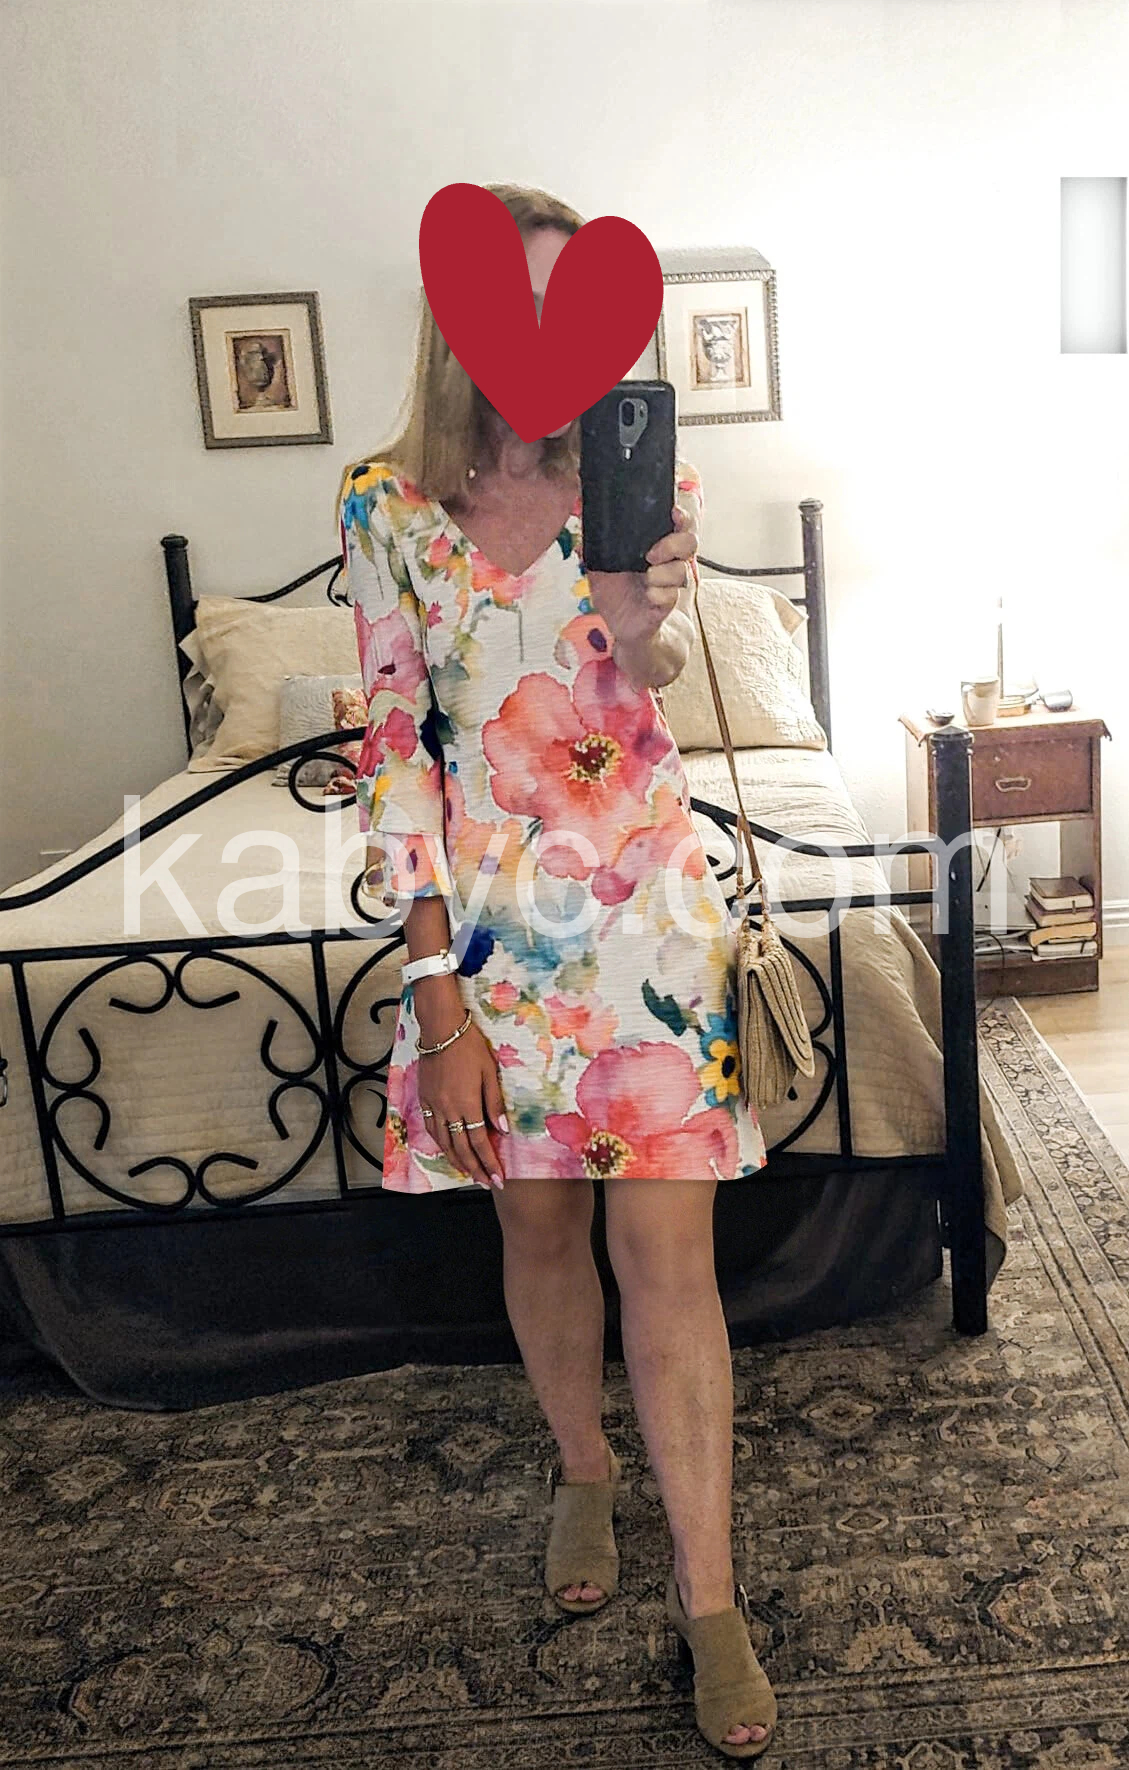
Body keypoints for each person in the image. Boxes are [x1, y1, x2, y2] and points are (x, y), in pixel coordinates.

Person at [335, 182, 777, 1759]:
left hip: (647, 924)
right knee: (536, 1222)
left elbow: (655, 679)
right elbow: (394, 753)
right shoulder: (386, 504)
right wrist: (432, 994)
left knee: (670, 1260)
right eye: (507, 301)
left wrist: (641, 617)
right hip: (488, 946)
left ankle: (709, 1596)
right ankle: (583, 1465)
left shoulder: (638, 475)